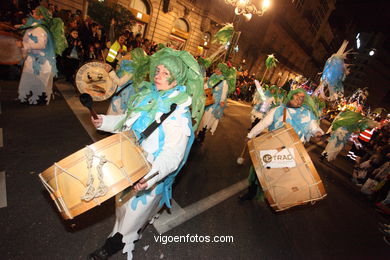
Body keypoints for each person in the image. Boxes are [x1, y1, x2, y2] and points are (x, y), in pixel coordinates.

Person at [88, 47, 204, 260]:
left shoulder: (178, 113)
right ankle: (122, 229)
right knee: (121, 206)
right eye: (158, 70)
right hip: (127, 163)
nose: (158, 76)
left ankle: (116, 241)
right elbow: (127, 123)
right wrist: (103, 121)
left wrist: (149, 176)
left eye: (165, 73)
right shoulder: (147, 96)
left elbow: (172, 156)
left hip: (149, 171)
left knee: (133, 213)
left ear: (177, 80)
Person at [240, 89, 324, 201]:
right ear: (291, 96)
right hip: (272, 147)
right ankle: (251, 192)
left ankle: (275, 198)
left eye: (302, 98)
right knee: (259, 172)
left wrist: (318, 132)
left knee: (278, 177)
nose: (299, 99)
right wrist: (250, 135)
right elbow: (263, 123)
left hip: (290, 152)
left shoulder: (307, 114)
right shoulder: (278, 110)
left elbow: (314, 127)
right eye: (297, 96)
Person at [17, 5, 58, 105]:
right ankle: (29, 98)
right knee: (30, 79)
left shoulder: (40, 29)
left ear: (41, 16)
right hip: (33, 58)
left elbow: (41, 44)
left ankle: (36, 99)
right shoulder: (34, 26)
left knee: (37, 80)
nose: (33, 12)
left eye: (36, 12)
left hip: (39, 60)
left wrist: (24, 45)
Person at [197, 62, 236, 140]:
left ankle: (202, 133)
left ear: (222, 71)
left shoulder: (224, 81)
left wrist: (221, 101)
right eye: (216, 68)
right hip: (208, 99)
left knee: (209, 117)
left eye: (218, 69)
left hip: (215, 102)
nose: (216, 70)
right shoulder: (213, 76)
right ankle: (201, 131)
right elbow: (207, 85)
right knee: (204, 116)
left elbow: (224, 92)